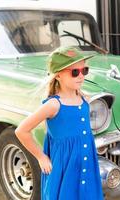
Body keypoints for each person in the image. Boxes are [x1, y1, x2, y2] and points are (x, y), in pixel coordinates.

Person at [14, 46, 104, 200]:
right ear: (58, 76)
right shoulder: (53, 105)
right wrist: (41, 157)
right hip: (64, 169)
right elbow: (21, 131)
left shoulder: (83, 98)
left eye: (84, 70)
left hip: (86, 164)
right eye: (74, 72)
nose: (81, 76)